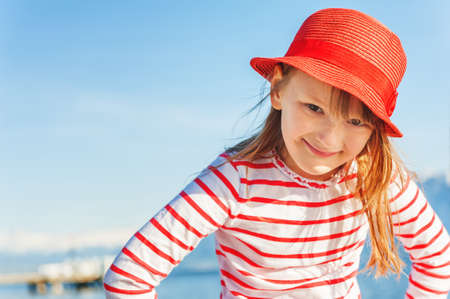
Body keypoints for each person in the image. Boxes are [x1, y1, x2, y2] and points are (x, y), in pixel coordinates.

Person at [103, 8, 450, 298]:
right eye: (314, 108)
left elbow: (437, 257)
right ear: (278, 89)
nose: (330, 138)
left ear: (375, 127)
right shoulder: (234, 181)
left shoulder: (376, 176)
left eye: (355, 121)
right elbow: (130, 276)